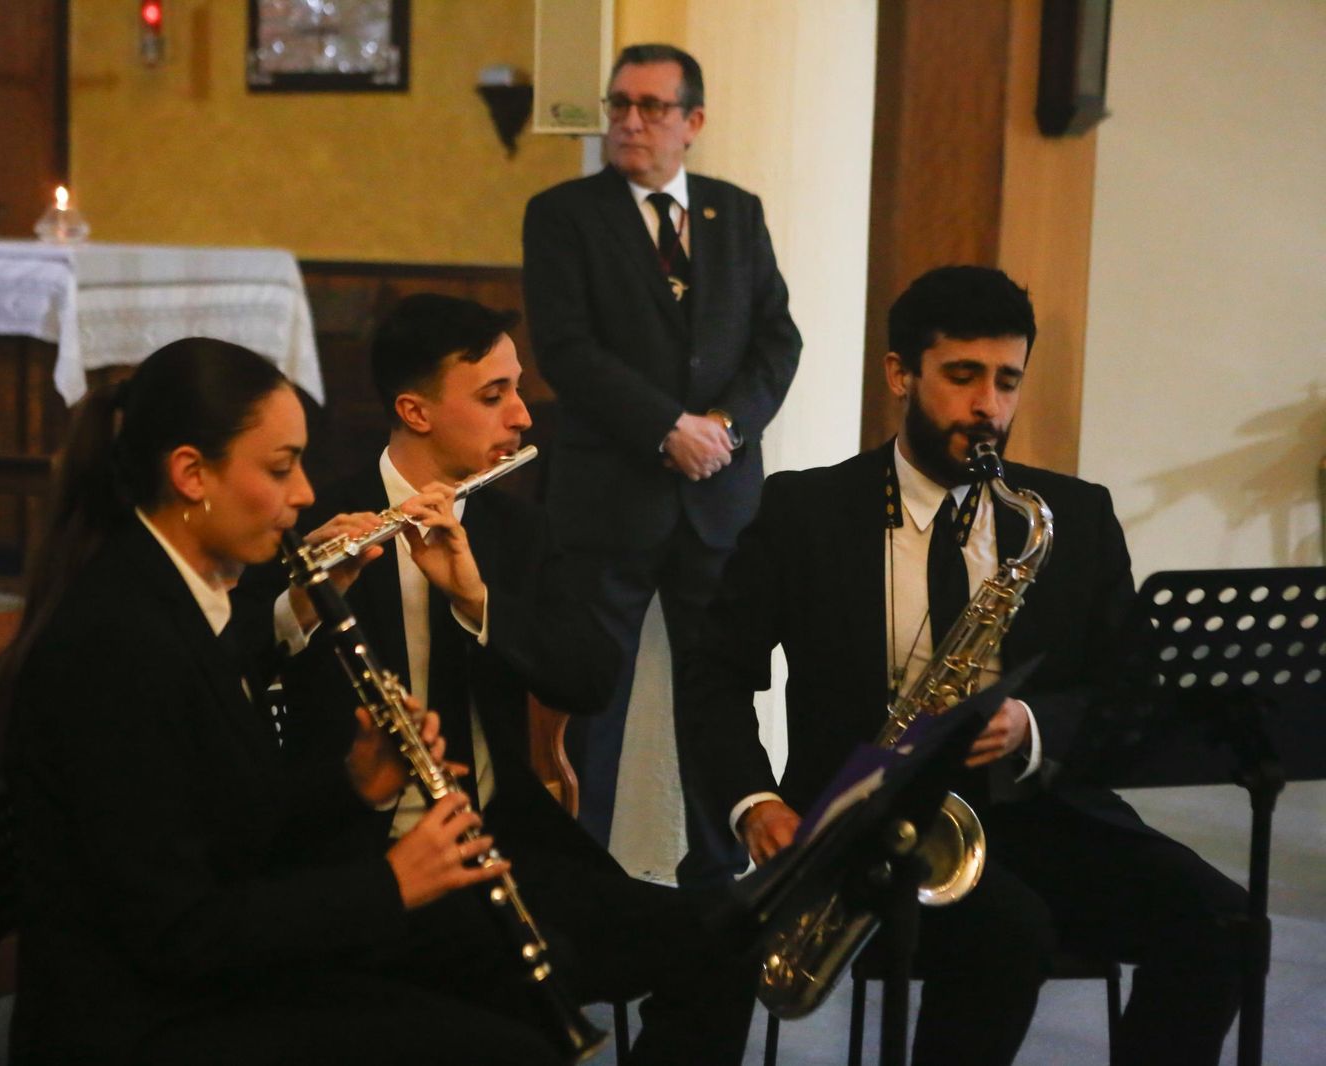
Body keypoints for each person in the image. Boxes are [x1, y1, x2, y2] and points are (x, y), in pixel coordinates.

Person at [684, 266, 1248, 1066]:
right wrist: (754, 803)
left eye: (1007, 381)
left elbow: (1129, 691)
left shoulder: (1071, 518)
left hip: (1039, 810)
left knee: (1223, 928)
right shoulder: (805, 512)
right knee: (1009, 937)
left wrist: (1035, 724)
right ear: (899, 374)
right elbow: (714, 670)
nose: (988, 406)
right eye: (962, 376)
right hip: (871, 822)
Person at [0, 338, 565, 1065]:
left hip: (204, 983)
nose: (304, 496)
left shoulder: (187, 601)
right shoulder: (117, 641)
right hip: (139, 1022)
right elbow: (176, 929)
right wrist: (388, 885)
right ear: (192, 474)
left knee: (499, 1027)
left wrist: (353, 785)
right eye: (281, 468)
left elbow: (222, 815)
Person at [248, 294, 758, 1065]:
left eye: (517, 387)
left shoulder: (515, 529)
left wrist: (476, 599)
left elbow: (591, 678)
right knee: (531, 979)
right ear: (415, 412)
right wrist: (305, 604)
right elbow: (244, 665)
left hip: (505, 841)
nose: (523, 416)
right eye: (494, 395)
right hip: (366, 863)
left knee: (724, 940)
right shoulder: (310, 518)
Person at [522, 42, 802, 885]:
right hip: (609, 499)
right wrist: (667, 427)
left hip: (718, 498)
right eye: (619, 105)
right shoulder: (564, 214)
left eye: (650, 107)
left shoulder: (736, 212)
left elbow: (777, 339)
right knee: (590, 702)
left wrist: (723, 426)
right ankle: (582, 886)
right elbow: (566, 351)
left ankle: (719, 879)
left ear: (694, 122)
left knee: (718, 692)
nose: (630, 122)